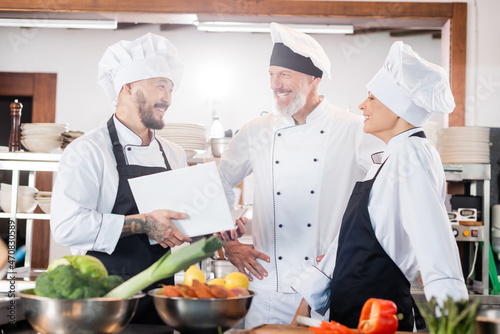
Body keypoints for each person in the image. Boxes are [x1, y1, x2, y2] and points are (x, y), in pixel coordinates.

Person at [50, 33, 245, 324]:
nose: (167, 98)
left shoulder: (174, 153)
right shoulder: (87, 151)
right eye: (160, 86)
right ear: (127, 86)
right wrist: (142, 222)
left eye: (171, 89)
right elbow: (66, 227)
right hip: (103, 297)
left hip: (159, 297)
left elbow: (180, 226)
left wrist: (217, 233)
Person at [291, 41, 469, 331]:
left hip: (382, 323)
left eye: (372, 98)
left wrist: (454, 323)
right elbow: (345, 244)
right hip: (352, 318)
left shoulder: (412, 155)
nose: (362, 105)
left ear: (398, 109)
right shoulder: (388, 157)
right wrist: (306, 302)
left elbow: (435, 247)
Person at [218, 22, 384, 328]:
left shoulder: (351, 128)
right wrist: (227, 241)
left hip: (327, 287)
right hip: (267, 287)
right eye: (271, 74)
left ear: (314, 80)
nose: (275, 84)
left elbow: (385, 192)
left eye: (285, 75)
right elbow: (217, 184)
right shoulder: (258, 130)